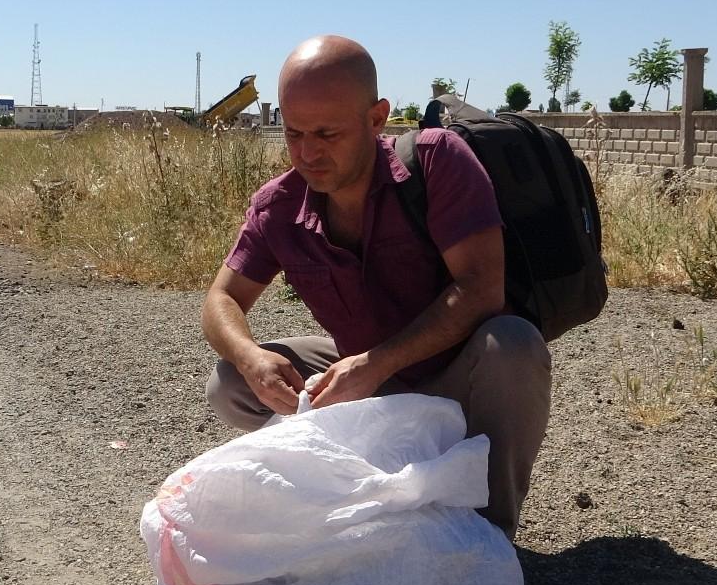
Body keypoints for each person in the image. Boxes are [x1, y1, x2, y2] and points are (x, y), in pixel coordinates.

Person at [201, 35, 551, 539]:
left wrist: (377, 364)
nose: (307, 153)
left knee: (514, 346)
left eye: (327, 133)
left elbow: (480, 289)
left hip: (452, 380)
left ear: (376, 118)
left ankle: (484, 538)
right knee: (230, 384)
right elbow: (222, 299)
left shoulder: (435, 162)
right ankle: (356, 494)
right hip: (363, 383)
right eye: (294, 132)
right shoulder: (278, 206)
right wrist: (250, 357)